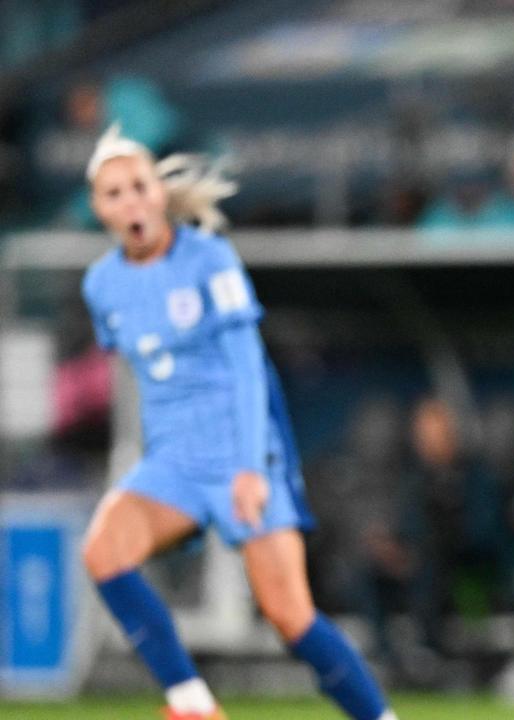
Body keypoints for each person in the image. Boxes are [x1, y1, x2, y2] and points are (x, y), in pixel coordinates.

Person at [78, 124, 397, 720]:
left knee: (290, 618)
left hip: (241, 455)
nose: (130, 202)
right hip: (173, 462)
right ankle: (193, 703)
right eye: (114, 193)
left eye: (138, 186)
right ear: (100, 208)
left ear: (158, 192)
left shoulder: (209, 258)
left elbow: (249, 368)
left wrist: (251, 468)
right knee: (103, 551)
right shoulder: (102, 285)